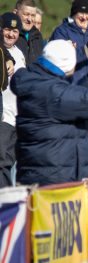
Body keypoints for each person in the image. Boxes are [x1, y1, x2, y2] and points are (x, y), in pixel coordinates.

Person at [11, 40, 88, 186]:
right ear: (67, 64)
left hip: (47, 176)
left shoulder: (38, 82)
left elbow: (82, 92)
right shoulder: (53, 94)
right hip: (54, 183)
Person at [0, 12, 25, 188]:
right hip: (4, 119)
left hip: (18, 119)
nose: (11, 34)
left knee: (14, 165)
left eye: (15, 31)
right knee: (2, 164)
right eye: (8, 29)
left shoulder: (19, 53)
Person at [14, 0, 44, 65]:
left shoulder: (37, 35)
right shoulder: (8, 35)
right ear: (15, 12)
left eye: (33, 15)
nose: (29, 19)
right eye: (26, 14)